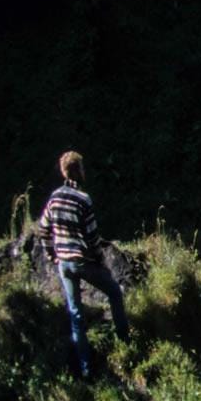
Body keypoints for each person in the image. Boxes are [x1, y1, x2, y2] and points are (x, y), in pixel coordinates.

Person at [40, 150, 128, 377]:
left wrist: (52, 255)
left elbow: (43, 230)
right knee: (115, 292)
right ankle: (125, 343)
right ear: (78, 171)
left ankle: (86, 368)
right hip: (82, 261)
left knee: (76, 315)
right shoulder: (83, 200)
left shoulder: (54, 197)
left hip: (64, 264)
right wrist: (102, 263)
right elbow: (92, 238)